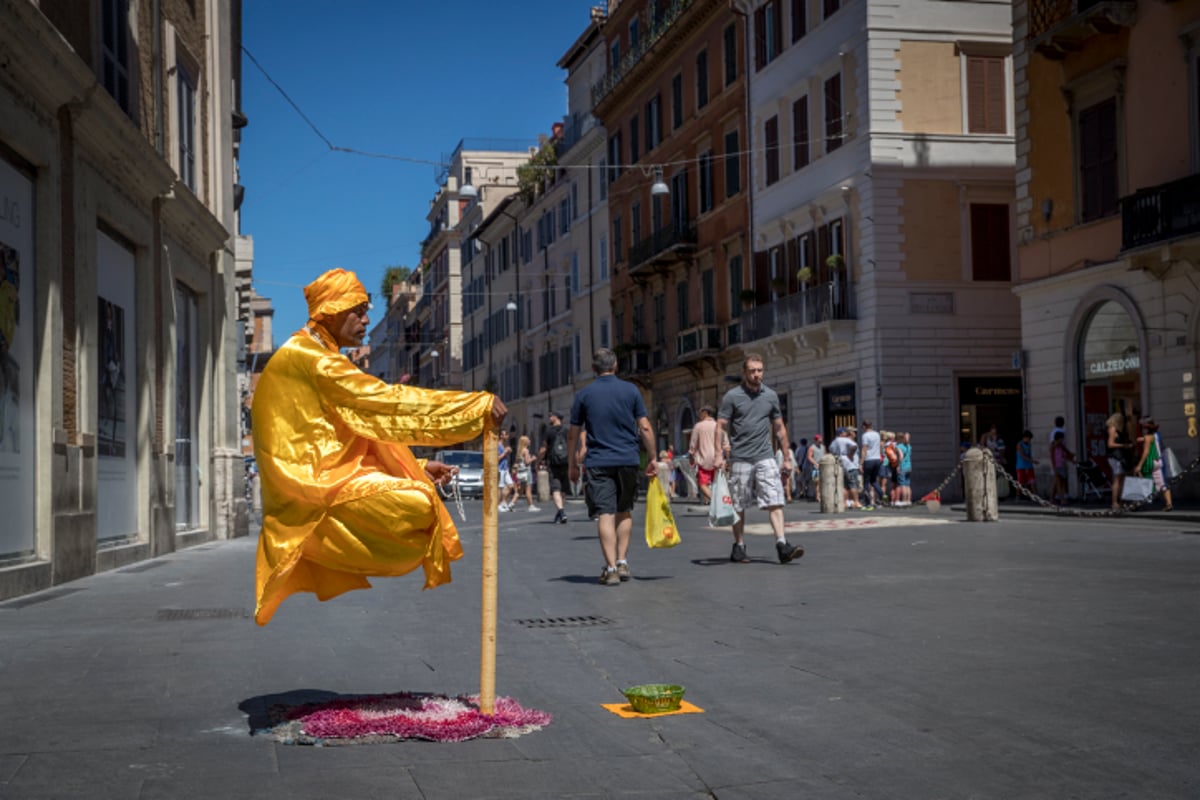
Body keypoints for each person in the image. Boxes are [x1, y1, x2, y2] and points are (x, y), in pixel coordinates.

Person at [250, 268, 507, 626]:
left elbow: (354, 434)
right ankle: (312, 541)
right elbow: (386, 405)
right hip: (313, 491)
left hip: (320, 483)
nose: (366, 319)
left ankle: (317, 546)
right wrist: (472, 408)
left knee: (421, 505)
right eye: (358, 310)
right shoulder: (313, 360)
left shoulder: (315, 353)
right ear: (333, 311)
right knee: (418, 505)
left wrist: (417, 467)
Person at [567, 348, 657, 586]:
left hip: (598, 462)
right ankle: (622, 561)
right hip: (628, 459)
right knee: (624, 510)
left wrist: (572, 465)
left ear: (594, 369)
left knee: (605, 514)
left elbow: (573, 435)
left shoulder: (584, 395)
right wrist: (653, 457)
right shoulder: (631, 391)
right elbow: (645, 427)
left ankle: (610, 569)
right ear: (616, 365)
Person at [716, 353, 804, 564]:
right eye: (753, 371)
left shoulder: (770, 396)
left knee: (775, 500)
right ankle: (739, 546)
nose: (757, 375)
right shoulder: (732, 397)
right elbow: (720, 426)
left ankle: (782, 544)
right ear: (744, 372)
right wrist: (719, 454)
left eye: (760, 370)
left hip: (765, 456)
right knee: (739, 504)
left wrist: (786, 458)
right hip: (740, 458)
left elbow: (780, 428)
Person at [538, 411, 571, 524]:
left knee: (555, 489)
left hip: (553, 463)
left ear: (556, 417)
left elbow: (543, 448)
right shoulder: (566, 431)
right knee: (563, 489)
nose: (549, 417)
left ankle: (561, 512)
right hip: (566, 462)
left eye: (550, 416)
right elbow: (571, 447)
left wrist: (538, 461)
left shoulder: (549, 431)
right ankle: (560, 512)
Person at [1134, 418, 1173, 512]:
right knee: (1161, 483)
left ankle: (1137, 503)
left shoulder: (1147, 437)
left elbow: (1146, 452)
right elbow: (1146, 440)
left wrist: (1139, 465)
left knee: (1140, 478)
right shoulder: (1156, 435)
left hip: (1150, 461)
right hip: (1158, 461)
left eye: (1144, 428)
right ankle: (1169, 503)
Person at [688, 405, 721, 504]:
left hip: (704, 459)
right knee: (716, 483)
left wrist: (691, 457)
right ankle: (715, 501)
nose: (699, 415)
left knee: (702, 483)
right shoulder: (717, 425)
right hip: (717, 458)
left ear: (705, 413)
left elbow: (693, 444)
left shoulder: (698, 426)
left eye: (700, 413)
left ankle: (716, 501)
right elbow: (725, 443)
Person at [1106, 404, 1134, 511]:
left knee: (1121, 479)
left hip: (1119, 456)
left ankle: (1121, 500)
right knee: (1117, 479)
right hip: (1115, 456)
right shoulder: (1112, 429)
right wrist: (1123, 445)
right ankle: (1114, 502)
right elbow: (1110, 444)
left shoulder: (1119, 430)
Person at [828, 426, 861, 510]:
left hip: (839, 463)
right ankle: (856, 501)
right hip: (849, 463)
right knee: (853, 484)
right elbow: (854, 446)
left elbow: (830, 450)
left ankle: (845, 502)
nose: (846, 433)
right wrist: (851, 454)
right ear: (841, 433)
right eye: (845, 432)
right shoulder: (845, 440)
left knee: (844, 485)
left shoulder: (833, 442)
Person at [859, 421, 882, 509]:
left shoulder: (865, 435)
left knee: (866, 481)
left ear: (864, 426)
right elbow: (879, 446)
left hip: (869, 460)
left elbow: (864, 449)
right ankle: (882, 494)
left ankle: (868, 503)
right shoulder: (877, 434)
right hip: (877, 459)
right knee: (874, 480)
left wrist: (861, 463)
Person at [514, 434, 540, 511]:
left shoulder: (520, 451)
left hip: (522, 472)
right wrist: (533, 458)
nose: (530, 441)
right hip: (527, 472)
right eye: (528, 440)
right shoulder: (526, 451)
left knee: (521, 490)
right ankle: (531, 506)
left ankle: (512, 503)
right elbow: (527, 462)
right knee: (528, 490)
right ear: (525, 442)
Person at [1049, 430, 1074, 505]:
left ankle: (1051, 498)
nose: (1062, 440)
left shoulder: (1061, 446)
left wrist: (1071, 458)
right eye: (1061, 438)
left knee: (1057, 484)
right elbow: (1052, 458)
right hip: (1057, 467)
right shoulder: (1053, 446)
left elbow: (1067, 453)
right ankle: (1062, 499)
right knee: (1059, 483)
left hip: (1062, 466)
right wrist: (1054, 468)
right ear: (1058, 438)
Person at [1015, 429, 1038, 498]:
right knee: (1020, 482)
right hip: (1021, 465)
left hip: (1029, 466)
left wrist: (1031, 460)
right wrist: (1032, 461)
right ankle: (1018, 495)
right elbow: (1022, 456)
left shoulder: (1029, 445)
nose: (1029, 440)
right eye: (1029, 438)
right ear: (1025, 437)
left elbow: (1029, 455)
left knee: (1032, 480)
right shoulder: (1020, 444)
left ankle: (1035, 495)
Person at [497, 436, 516, 512]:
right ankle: (497, 505)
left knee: (511, 485)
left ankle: (503, 502)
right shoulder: (497, 446)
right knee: (500, 488)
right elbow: (497, 458)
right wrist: (505, 452)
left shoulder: (504, 445)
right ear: (501, 436)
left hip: (505, 469)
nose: (507, 436)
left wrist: (507, 451)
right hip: (500, 469)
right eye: (506, 434)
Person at [806, 434, 826, 504]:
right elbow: (809, 457)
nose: (820, 440)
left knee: (823, 481)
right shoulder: (812, 447)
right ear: (816, 440)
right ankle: (817, 496)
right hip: (815, 467)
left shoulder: (823, 447)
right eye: (819, 439)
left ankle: (822, 495)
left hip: (823, 466)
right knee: (816, 482)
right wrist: (815, 463)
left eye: (821, 439)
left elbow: (824, 455)